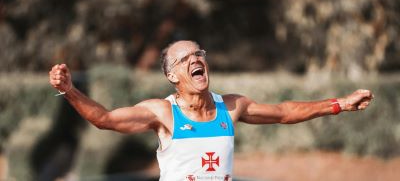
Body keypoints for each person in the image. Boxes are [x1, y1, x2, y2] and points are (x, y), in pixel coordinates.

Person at [49, 40, 373, 181]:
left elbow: (285, 112)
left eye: (198, 53)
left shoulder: (230, 107)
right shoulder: (162, 113)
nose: (195, 60)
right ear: (172, 76)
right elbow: (105, 119)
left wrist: (339, 104)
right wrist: (70, 90)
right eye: (184, 59)